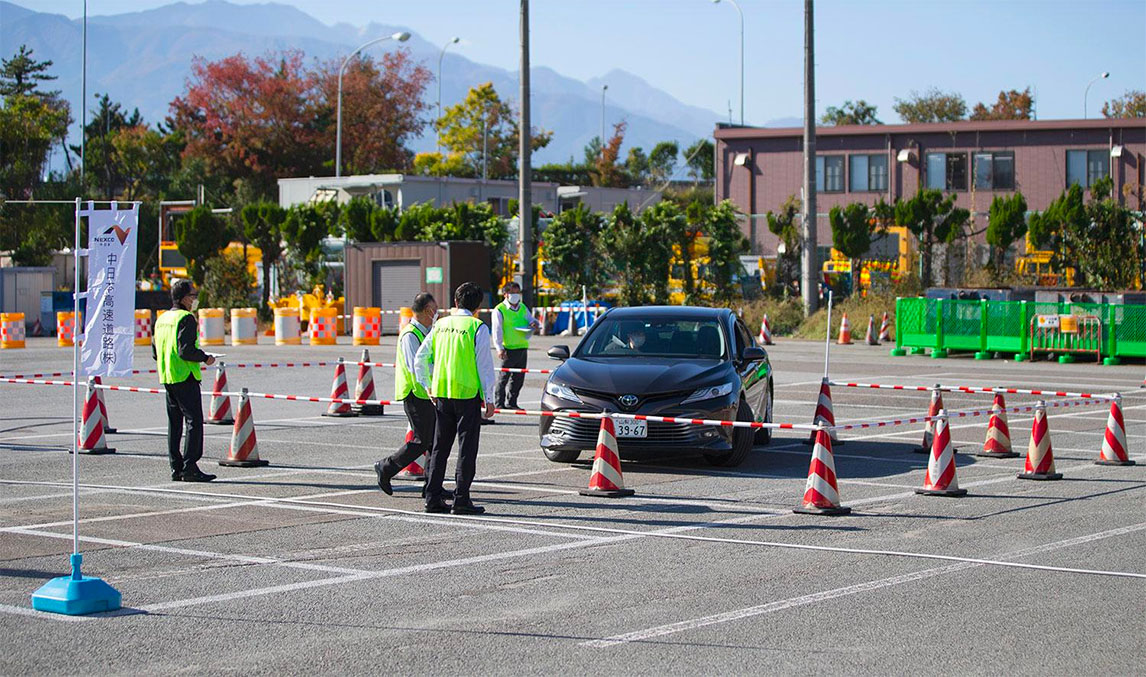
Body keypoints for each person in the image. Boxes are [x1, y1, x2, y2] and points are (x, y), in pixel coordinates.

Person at [414, 282, 496, 515]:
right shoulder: (477, 327)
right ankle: (461, 499)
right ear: (478, 306)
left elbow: (420, 358)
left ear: (455, 302)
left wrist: (427, 385)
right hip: (467, 395)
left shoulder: (439, 325)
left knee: (440, 448)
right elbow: (484, 366)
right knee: (466, 449)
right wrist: (489, 398)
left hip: (441, 394)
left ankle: (432, 498)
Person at [373, 292, 451, 501]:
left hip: (429, 394)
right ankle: (386, 467)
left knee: (435, 442)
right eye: (436, 309)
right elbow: (415, 366)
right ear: (427, 310)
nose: (438, 313)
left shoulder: (427, 332)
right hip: (416, 393)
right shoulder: (410, 335)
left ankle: (433, 485)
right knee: (421, 440)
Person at [152, 279, 216, 482]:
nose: (194, 300)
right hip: (185, 377)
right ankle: (190, 466)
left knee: (174, 424)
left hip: (167, 377)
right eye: (192, 296)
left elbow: (155, 352)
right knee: (194, 421)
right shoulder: (186, 318)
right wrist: (205, 357)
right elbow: (185, 350)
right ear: (182, 298)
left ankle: (176, 467)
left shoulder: (161, 319)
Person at [489, 281, 541, 422]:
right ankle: (499, 403)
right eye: (512, 293)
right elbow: (497, 331)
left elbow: (531, 320)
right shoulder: (499, 310)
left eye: (518, 293)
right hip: (508, 348)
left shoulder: (522, 307)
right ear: (505, 294)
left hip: (522, 347)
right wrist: (499, 348)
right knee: (504, 377)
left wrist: (534, 324)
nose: (515, 296)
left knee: (518, 378)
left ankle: (512, 403)